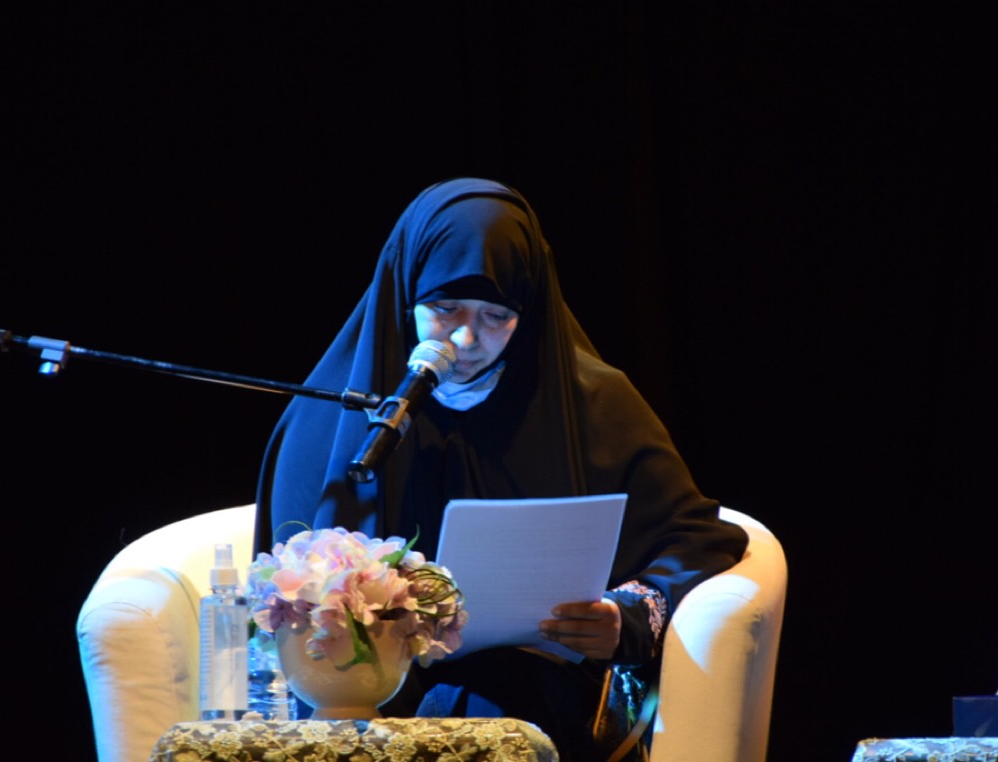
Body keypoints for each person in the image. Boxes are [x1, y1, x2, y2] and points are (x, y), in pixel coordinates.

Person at [253, 177, 748, 759]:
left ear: (528, 312)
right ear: (405, 294)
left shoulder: (593, 403)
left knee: (490, 700)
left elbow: (697, 537)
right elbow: (280, 594)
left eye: (496, 315)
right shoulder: (325, 420)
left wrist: (628, 615)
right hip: (365, 699)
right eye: (444, 310)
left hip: (542, 693)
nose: (466, 338)